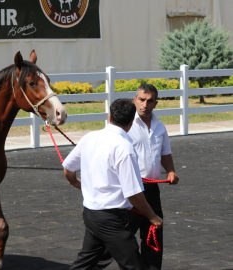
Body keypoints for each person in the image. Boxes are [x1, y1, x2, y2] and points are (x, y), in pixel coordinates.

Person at [63, 98, 163, 270]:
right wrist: (152, 216)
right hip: (112, 219)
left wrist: (75, 183)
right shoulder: (124, 147)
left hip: (91, 214)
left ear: (109, 116)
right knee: (134, 266)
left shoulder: (90, 137)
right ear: (132, 122)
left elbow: (68, 168)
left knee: (85, 263)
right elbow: (133, 194)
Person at [97, 84, 180, 270]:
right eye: (141, 100)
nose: (145, 104)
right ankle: (95, 264)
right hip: (130, 189)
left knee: (154, 233)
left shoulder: (160, 126)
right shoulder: (125, 126)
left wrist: (171, 171)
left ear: (155, 103)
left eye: (150, 101)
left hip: (152, 190)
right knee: (122, 237)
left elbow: (165, 152)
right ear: (134, 100)